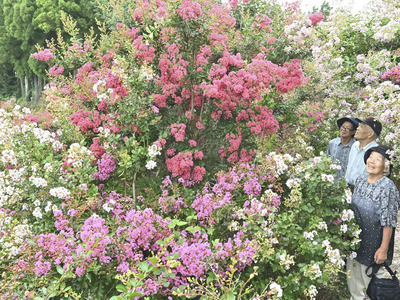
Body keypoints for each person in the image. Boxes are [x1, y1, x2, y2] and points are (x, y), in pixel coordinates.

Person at [347, 145, 399, 300]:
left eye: (378, 159)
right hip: (355, 243)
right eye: (370, 157)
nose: (372, 161)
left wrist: (383, 249)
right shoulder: (361, 180)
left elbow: (389, 221)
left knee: (372, 289)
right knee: (353, 284)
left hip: (374, 246)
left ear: (386, 167)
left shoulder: (388, 188)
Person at [345, 117, 382, 191]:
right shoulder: (355, 145)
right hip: (347, 189)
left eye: (361, 127)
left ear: (370, 134)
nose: (357, 128)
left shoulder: (376, 152)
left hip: (362, 192)